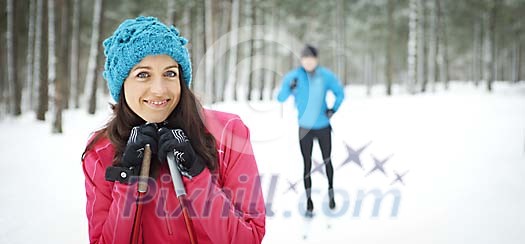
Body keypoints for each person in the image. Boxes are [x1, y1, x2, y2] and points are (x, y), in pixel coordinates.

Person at [81, 16, 265, 244]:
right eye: (143, 74)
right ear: (121, 84)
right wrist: (127, 180)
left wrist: (197, 174)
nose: (159, 89)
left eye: (169, 73)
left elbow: (249, 238)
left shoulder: (228, 133)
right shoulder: (100, 152)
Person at [277, 45, 345, 216]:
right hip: (305, 128)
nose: (308, 61)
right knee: (306, 164)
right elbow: (281, 97)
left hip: (323, 126)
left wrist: (333, 109)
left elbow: (340, 93)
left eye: (311, 58)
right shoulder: (294, 76)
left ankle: (331, 195)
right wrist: (290, 87)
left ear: (316, 59)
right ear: (301, 60)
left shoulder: (325, 75)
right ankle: (309, 202)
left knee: (327, 161)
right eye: (305, 58)